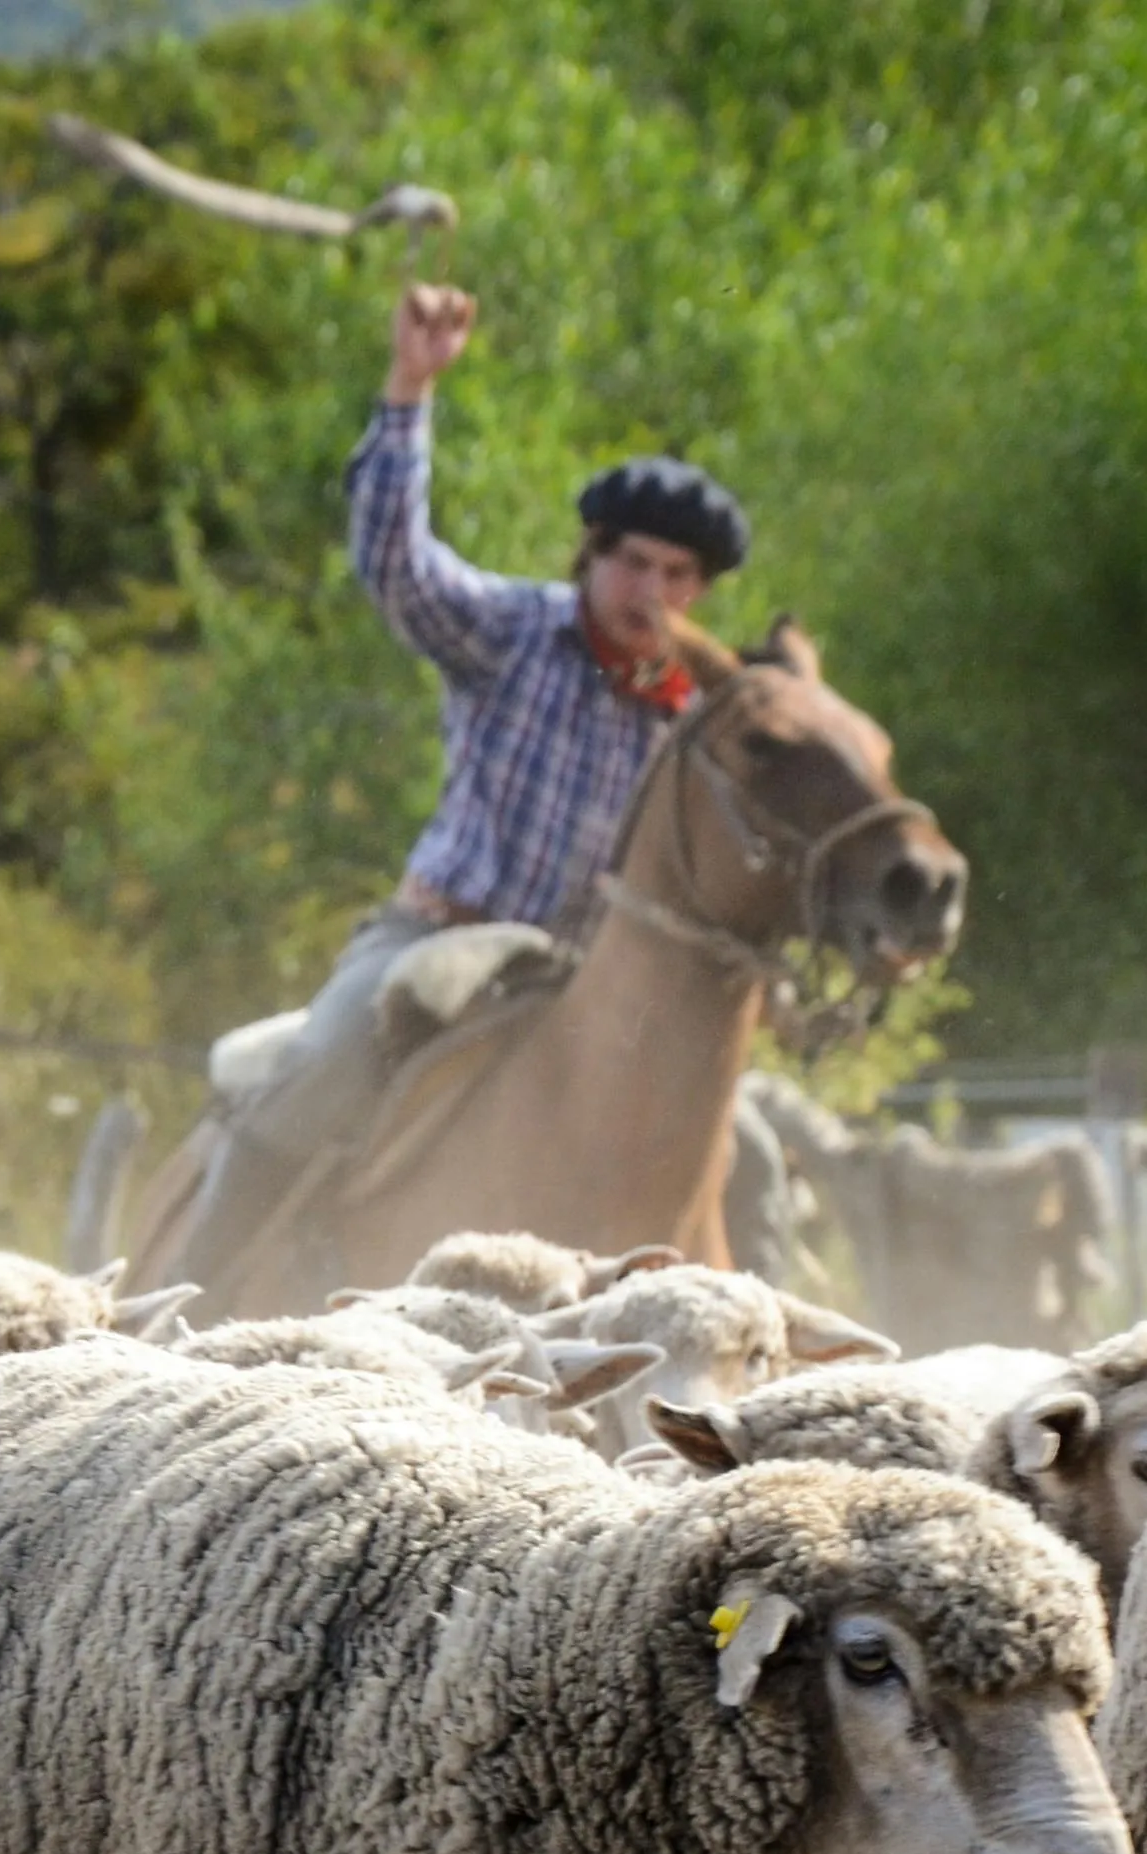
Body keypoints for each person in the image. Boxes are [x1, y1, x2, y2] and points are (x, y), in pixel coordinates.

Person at [164, 281, 752, 1285]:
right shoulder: (517, 630)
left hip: (599, 987)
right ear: (595, 558)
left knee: (756, 1153)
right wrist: (410, 388)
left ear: (699, 593)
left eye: (676, 577)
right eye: (634, 564)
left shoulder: (706, 720)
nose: (650, 594)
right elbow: (397, 565)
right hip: (444, 941)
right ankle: (185, 1302)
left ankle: (747, 1362)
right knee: (324, 1064)